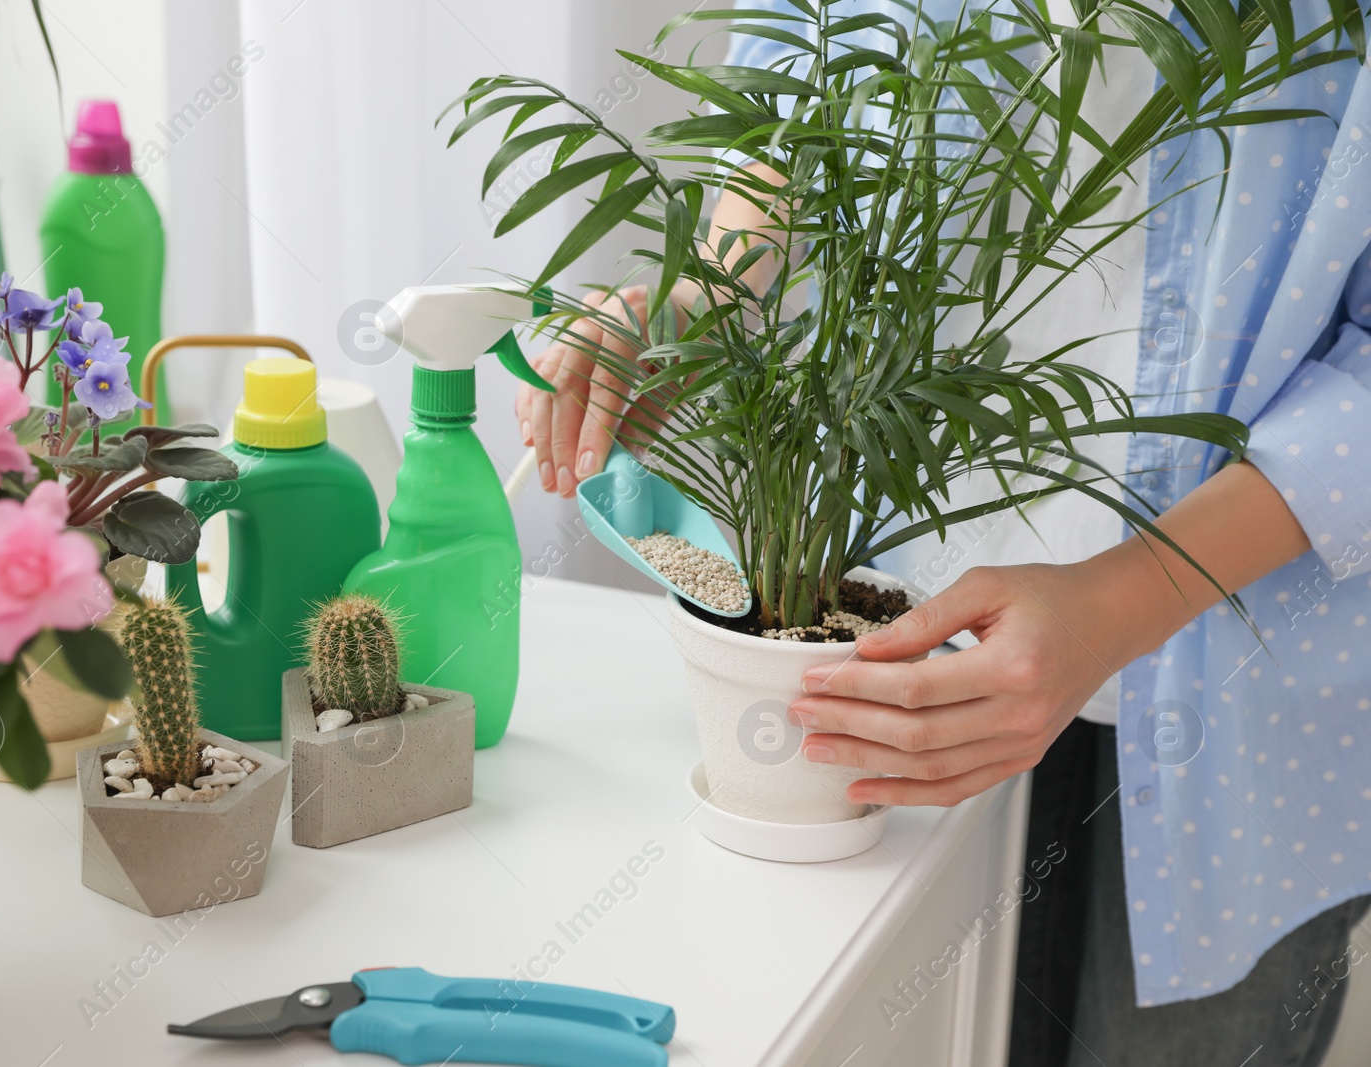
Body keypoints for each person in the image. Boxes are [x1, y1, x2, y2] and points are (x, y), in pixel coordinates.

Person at [517, 2, 1371, 1064]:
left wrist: (1119, 600)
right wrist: (696, 308)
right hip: (906, 626)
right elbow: (803, 88)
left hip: (1247, 681)